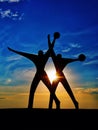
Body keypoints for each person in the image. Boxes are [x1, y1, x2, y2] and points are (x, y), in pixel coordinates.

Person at [8, 42, 60, 109]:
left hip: (43, 74)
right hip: (39, 74)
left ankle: (57, 101)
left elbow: (50, 48)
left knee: (50, 89)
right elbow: (24, 54)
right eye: (39, 53)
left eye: (40, 53)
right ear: (38, 54)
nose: (40, 54)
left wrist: (53, 39)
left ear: (41, 54)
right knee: (33, 90)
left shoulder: (43, 57)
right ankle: (30, 106)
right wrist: (12, 50)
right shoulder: (38, 57)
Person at [48, 32, 86, 109]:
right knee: (52, 92)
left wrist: (78, 59)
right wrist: (52, 39)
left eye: (58, 55)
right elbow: (51, 49)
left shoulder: (60, 60)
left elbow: (51, 49)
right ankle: (51, 106)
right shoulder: (59, 60)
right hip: (58, 76)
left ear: (60, 57)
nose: (57, 55)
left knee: (66, 91)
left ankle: (75, 103)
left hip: (59, 76)